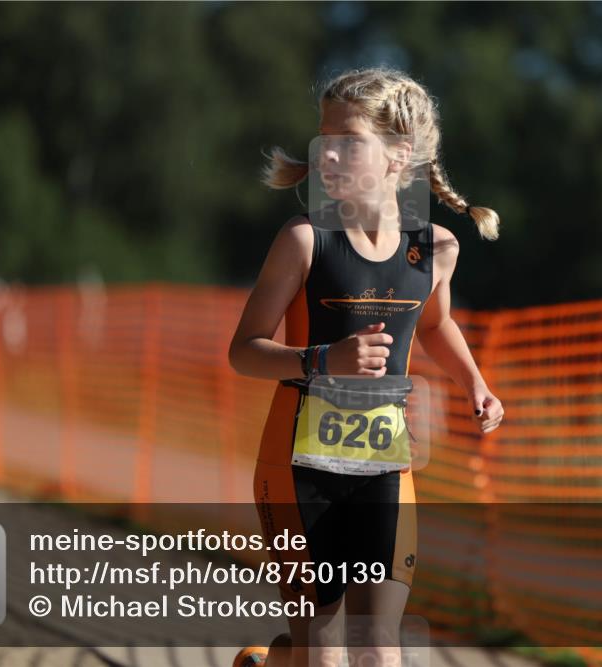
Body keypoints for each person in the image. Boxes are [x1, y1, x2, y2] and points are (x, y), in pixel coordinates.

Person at [229, 66, 504, 667]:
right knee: (323, 655)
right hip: (300, 472)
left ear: (396, 157)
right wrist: (324, 361)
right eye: (323, 138)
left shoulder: (435, 249)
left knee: (379, 651)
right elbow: (243, 350)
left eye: (347, 142)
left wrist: (475, 384)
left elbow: (433, 324)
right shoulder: (303, 241)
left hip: (384, 470)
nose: (327, 154)